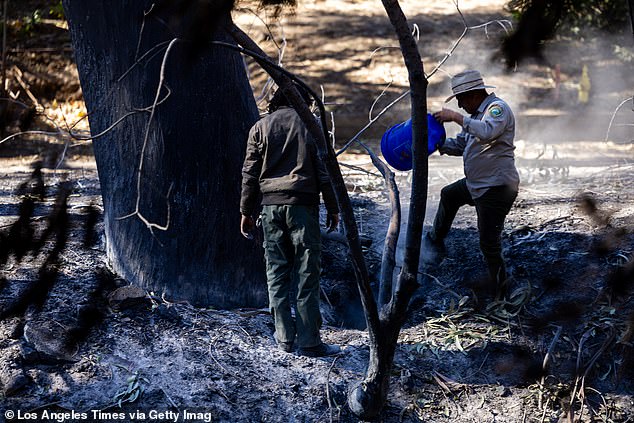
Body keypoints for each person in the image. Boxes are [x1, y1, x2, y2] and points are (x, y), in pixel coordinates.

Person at [240, 86, 341, 357]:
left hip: (270, 209)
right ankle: (310, 342)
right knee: (307, 273)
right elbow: (324, 170)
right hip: (303, 209)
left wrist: (246, 211)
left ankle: (283, 337)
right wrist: (333, 207)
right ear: (303, 101)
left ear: (276, 101)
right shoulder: (311, 124)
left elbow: (249, 174)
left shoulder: (260, 127)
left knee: (276, 272)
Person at [426, 69, 519, 293]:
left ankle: (501, 288)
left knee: (488, 243)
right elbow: (460, 145)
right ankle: (434, 240)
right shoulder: (476, 116)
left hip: (497, 188)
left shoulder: (497, 110)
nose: (459, 106)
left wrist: (456, 118)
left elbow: (487, 132)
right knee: (450, 194)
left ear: (473, 95)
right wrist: (436, 144)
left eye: (460, 99)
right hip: (478, 184)